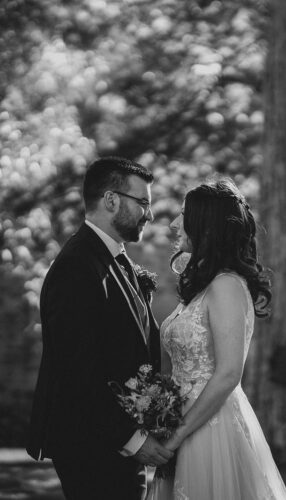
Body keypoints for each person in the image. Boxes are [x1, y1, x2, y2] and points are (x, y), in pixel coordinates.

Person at [27, 157, 174, 499]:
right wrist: (133, 439)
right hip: (92, 446)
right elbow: (76, 370)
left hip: (113, 445)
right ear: (111, 200)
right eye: (143, 203)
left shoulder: (114, 259)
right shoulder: (76, 267)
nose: (149, 215)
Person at [148, 178, 286, 499]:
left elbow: (227, 374)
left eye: (184, 214)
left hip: (211, 429)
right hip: (184, 420)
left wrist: (175, 436)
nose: (174, 223)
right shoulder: (204, 285)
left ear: (206, 225)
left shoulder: (227, 285)